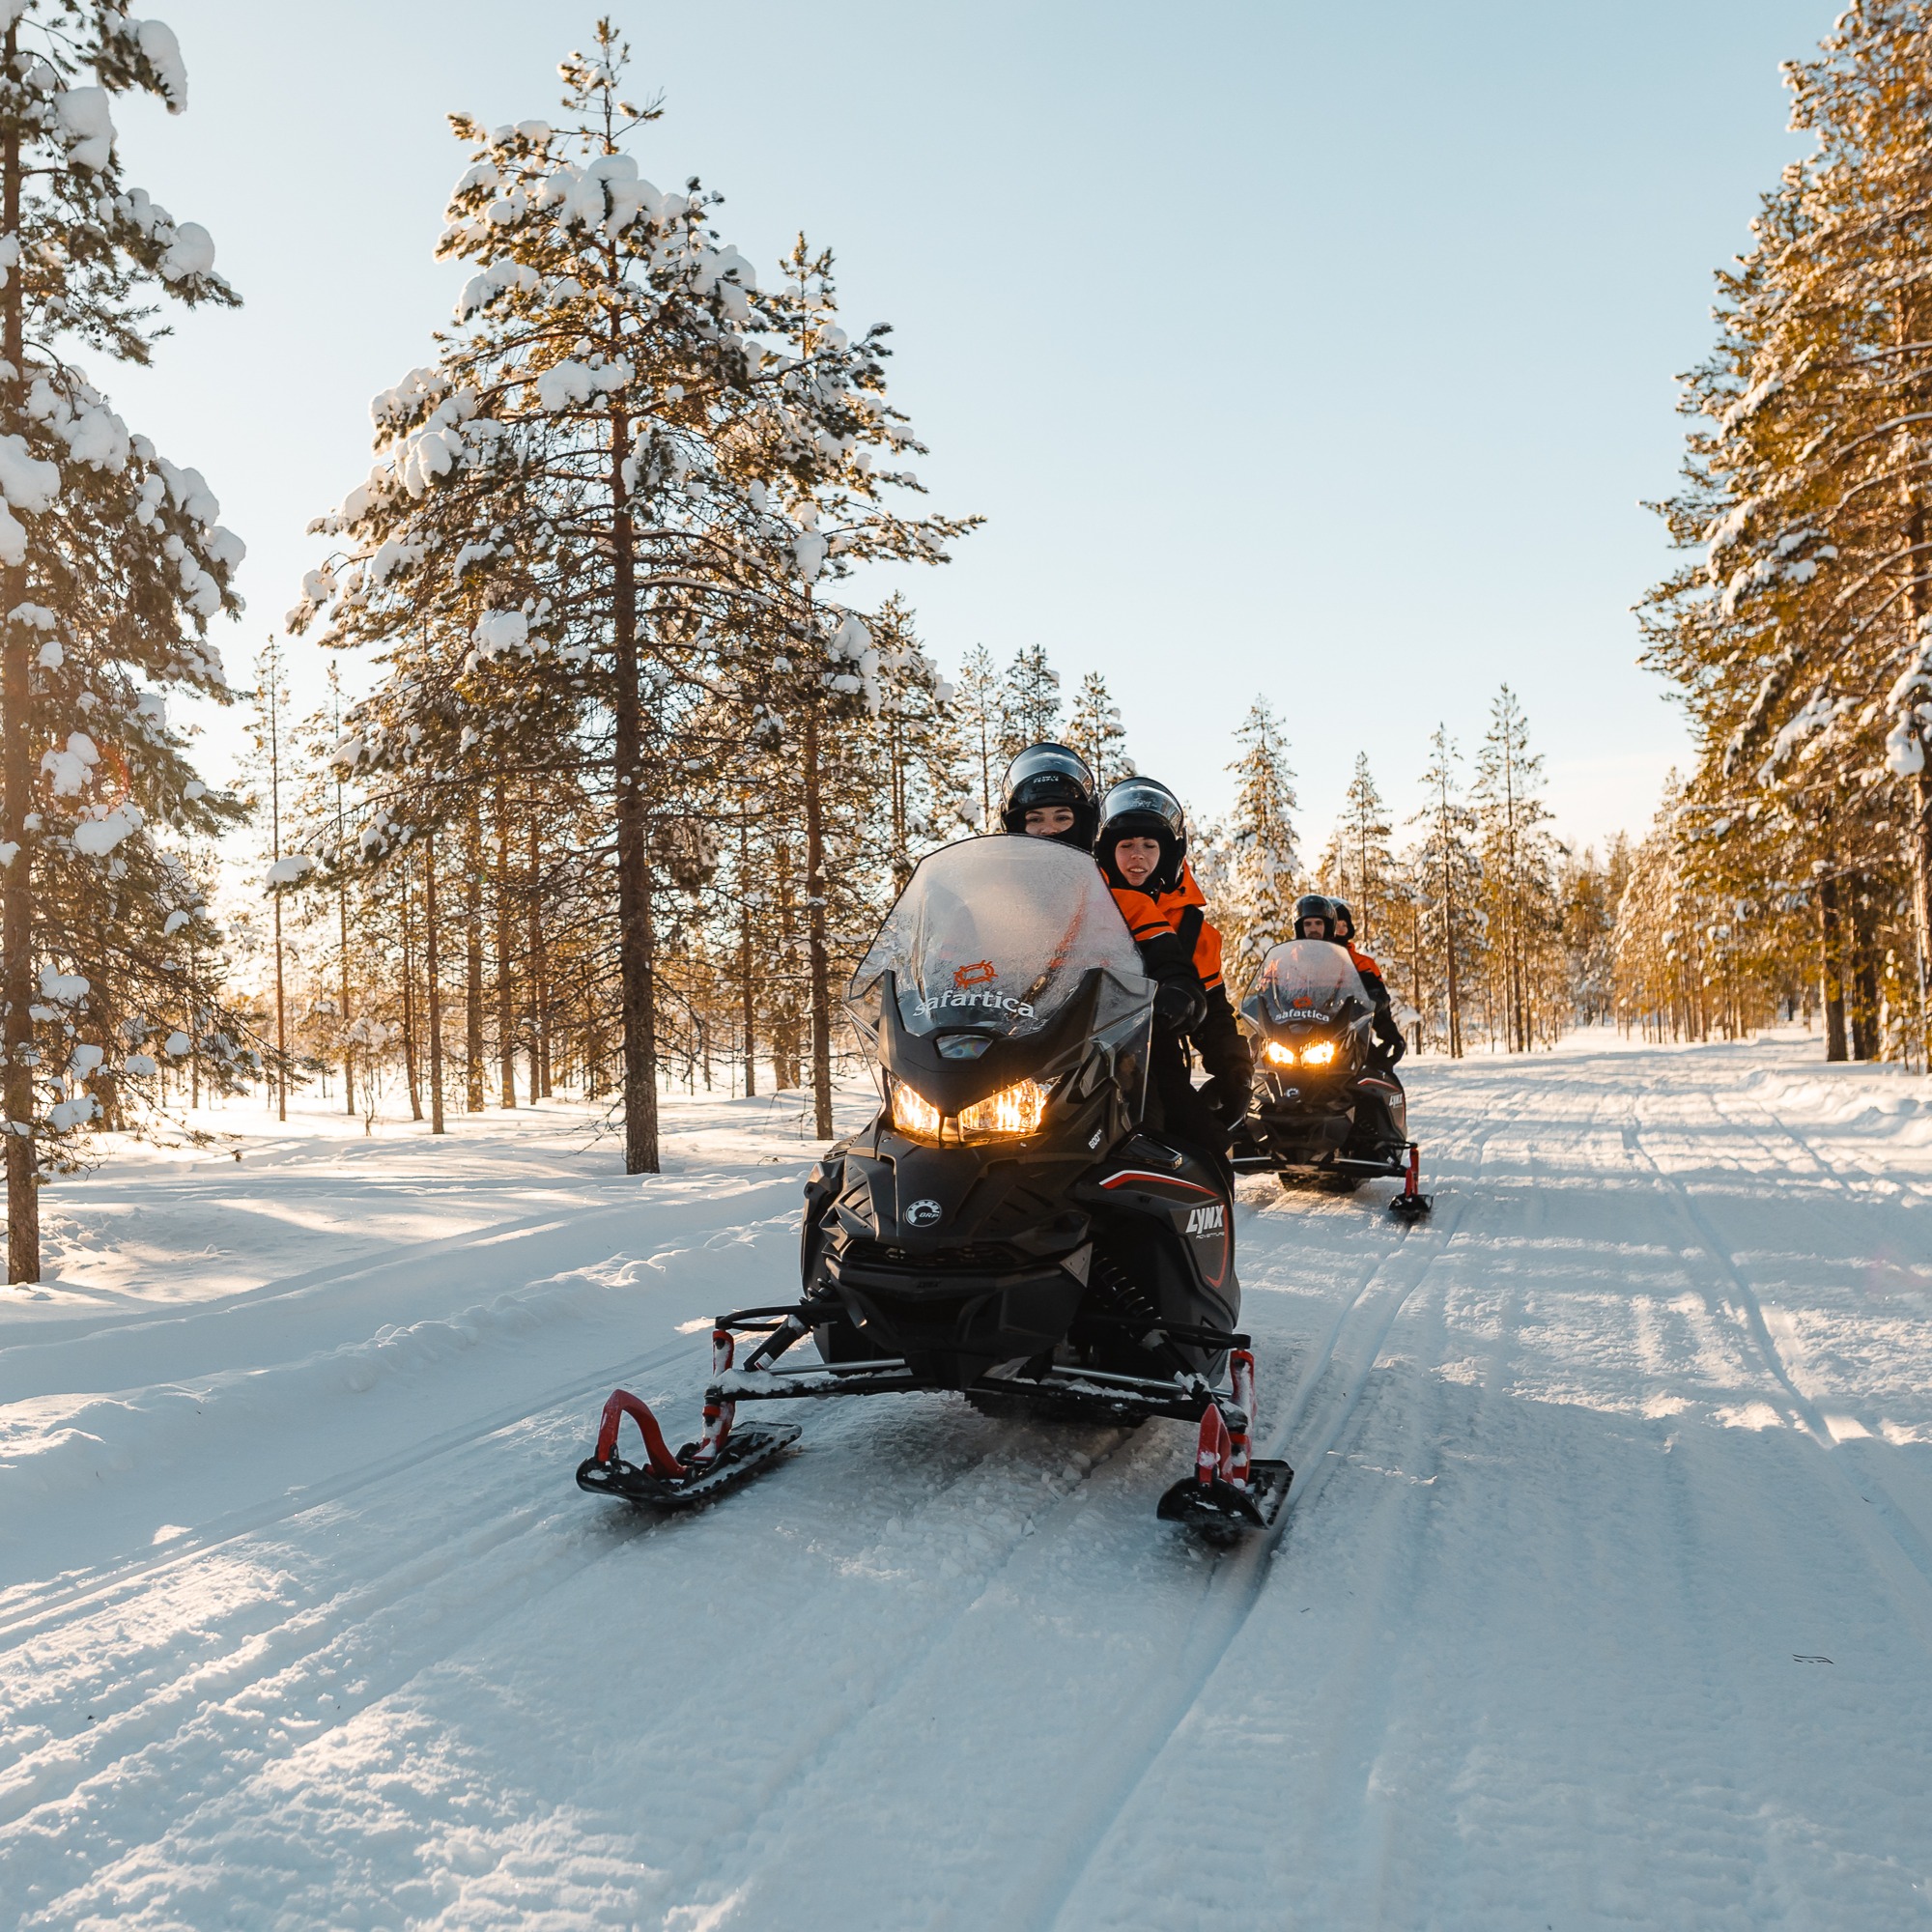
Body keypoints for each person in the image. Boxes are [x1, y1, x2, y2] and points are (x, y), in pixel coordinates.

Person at [997, 744, 1208, 1072]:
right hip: (1004, 1047)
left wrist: (1177, 988)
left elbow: (1168, 962)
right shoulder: (993, 903)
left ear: (1083, 823)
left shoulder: (1123, 903)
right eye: (1034, 819)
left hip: (1107, 1053)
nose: (1048, 828)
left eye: (1062, 817)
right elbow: (950, 965)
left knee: (1167, 1108)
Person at [1096, 777, 1250, 1176]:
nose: (1137, 857)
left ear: (1168, 853)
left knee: (1206, 1151)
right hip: (1073, 1052)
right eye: (1126, 845)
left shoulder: (1194, 928)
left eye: (1149, 846)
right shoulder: (1084, 902)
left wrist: (1233, 1070)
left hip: (1154, 1059)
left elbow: (1213, 1007)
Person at [1327, 898, 1406, 1067]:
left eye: (1344, 925)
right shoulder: (1305, 961)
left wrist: (1390, 1033)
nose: (1340, 930)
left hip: (1352, 1037)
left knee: (1380, 1072)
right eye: (1336, 925)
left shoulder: (1364, 964)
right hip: (1307, 1037)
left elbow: (1379, 1002)